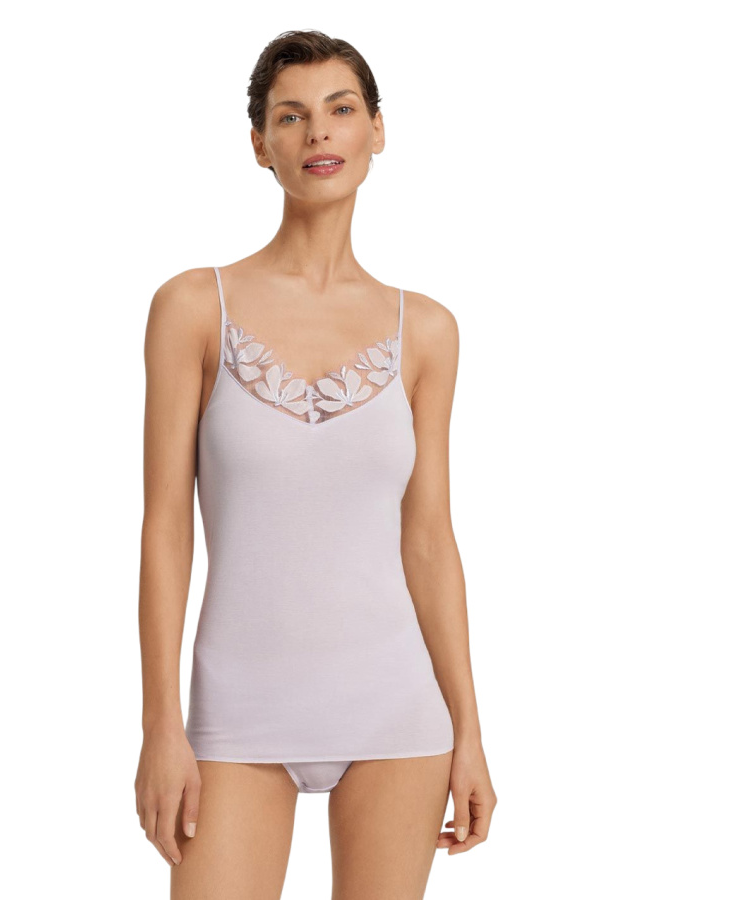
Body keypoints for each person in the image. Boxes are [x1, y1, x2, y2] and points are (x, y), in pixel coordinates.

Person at [135, 29, 496, 899]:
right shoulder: (194, 306)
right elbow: (164, 529)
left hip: (396, 709)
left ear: (377, 130)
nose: (318, 132)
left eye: (340, 109)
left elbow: (428, 541)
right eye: (290, 116)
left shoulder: (427, 331)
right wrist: (159, 725)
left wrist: (470, 731)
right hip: (234, 711)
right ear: (260, 145)